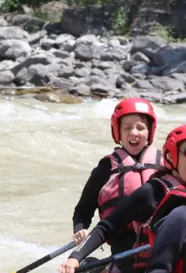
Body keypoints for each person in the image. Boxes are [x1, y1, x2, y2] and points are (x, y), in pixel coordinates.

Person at [59, 125, 186, 273]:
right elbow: (107, 226)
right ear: (171, 157)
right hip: (148, 266)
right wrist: (75, 258)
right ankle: (94, 267)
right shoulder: (152, 192)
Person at [70, 98, 163, 255]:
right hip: (125, 243)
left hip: (160, 237)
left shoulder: (164, 164)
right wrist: (80, 229)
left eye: (140, 128)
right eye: (127, 128)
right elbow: (82, 211)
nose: (134, 133)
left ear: (149, 131)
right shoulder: (106, 168)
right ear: (118, 131)